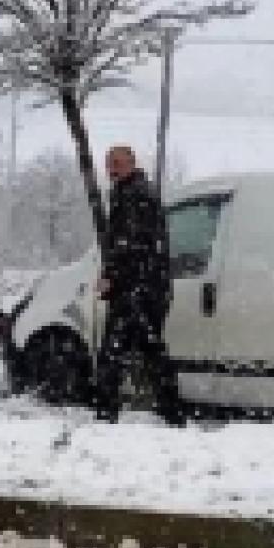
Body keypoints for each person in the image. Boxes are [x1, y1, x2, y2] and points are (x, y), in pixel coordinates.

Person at [94, 145, 184, 425]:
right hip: (143, 286)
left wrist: (112, 276)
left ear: (132, 164)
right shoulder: (131, 193)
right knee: (146, 350)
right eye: (109, 164)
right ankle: (171, 411)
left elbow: (130, 244)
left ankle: (108, 413)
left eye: (117, 163)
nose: (111, 169)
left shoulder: (136, 196)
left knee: (116, 352)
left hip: (138, 287)